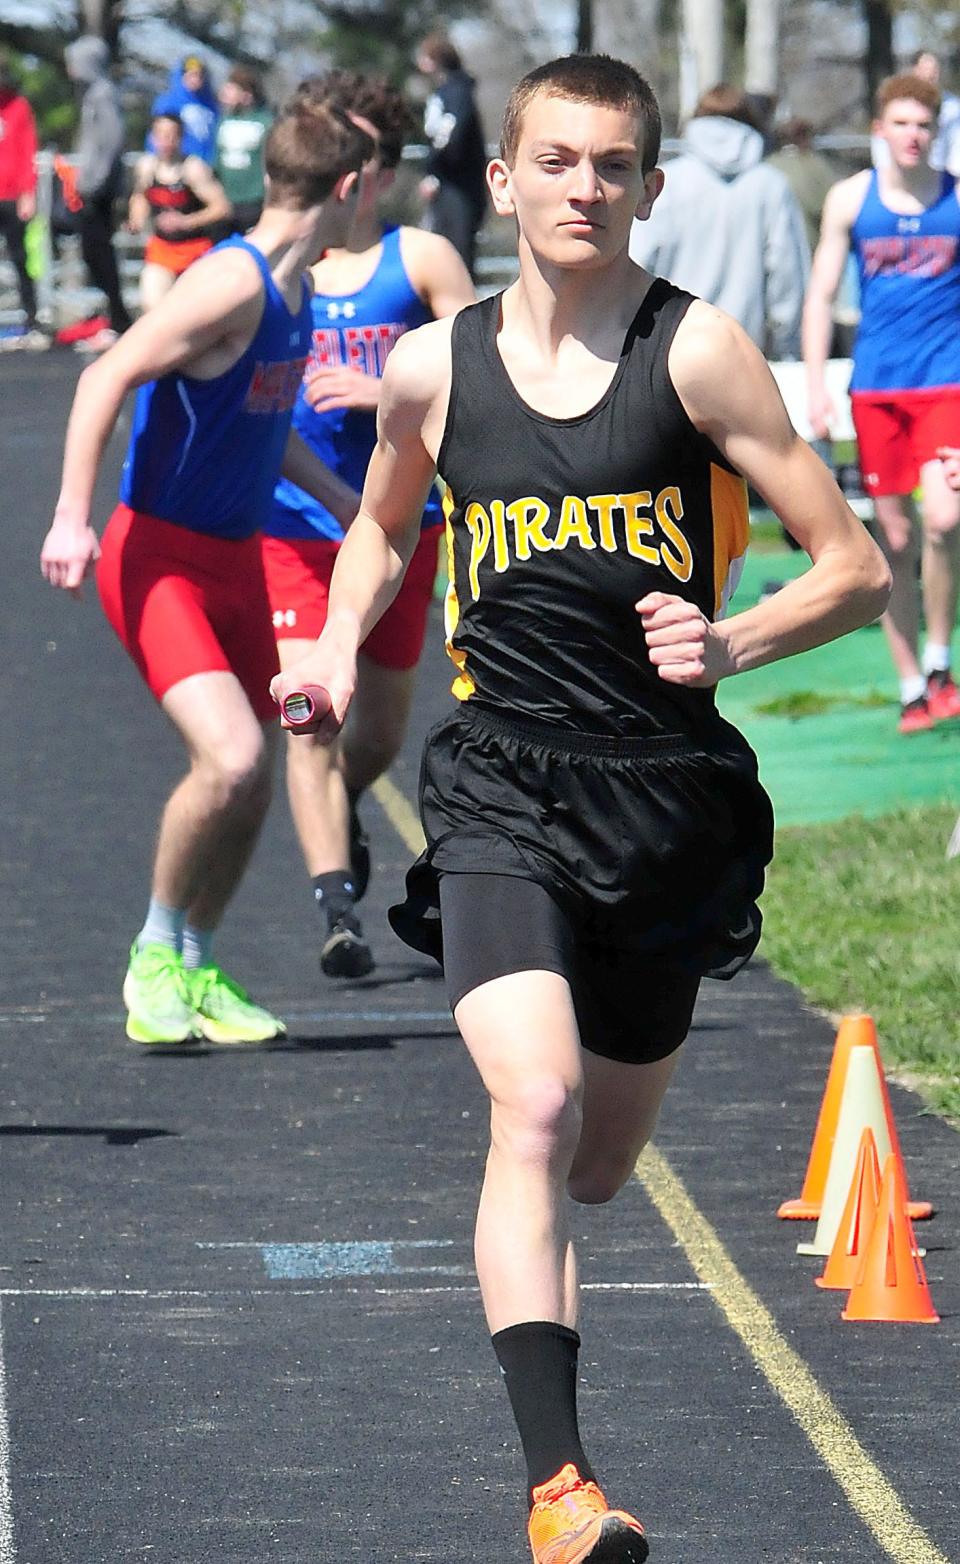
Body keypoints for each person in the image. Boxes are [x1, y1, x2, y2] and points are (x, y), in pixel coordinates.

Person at [271, 52, 890, 1563]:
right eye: (555, 161)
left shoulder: (700, 358)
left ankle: (564, 1424)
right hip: (499, 781)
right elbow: (380, 529)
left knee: (604, 1162)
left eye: (613, 165)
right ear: (503, 180)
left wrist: (734, 639)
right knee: (530, 1105)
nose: (584, 189)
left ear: (651, 186)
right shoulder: (434, 366)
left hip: (661, 799)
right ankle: (562, 1491)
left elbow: (855, 564)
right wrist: (339, 644)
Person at [39, 98, 369, 1046]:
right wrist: (71, 518)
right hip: (161, 558)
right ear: (346, 187)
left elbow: (259, 421)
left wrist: (341, 501)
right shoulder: (233, 284)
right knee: (228, 757)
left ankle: (195, 961)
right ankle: (151, 956)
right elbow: (105, 375)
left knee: (256, 776)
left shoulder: (297, 288)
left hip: (235, 561)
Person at [264, 71, 475, 978]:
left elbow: (485, 376)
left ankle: (339, 805)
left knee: (380, 733)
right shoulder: (281, 263)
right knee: (308, 718)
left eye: (362, 155)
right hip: (295, 528)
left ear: (380, 170)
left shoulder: (421, 259)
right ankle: (336, 909)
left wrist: (382, 387)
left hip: (399, 525)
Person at [803, 71, 960, 734]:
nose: (913, 137)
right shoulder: (849, 200)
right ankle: (909, 686)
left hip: (946, 383)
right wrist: (815, 384)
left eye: (923, 125)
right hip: (876, 388)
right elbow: (820, 295)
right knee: (892, 536)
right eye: (900, 124)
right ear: (879, 131)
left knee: (945, 521)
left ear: (936, 132)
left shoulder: (956, 200)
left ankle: (938, 660)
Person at [628, 83, 810, 359]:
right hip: (743, 351)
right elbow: (787, 276)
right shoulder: (771, 186)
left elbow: (638, 260)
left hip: (665, 348)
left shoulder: (666, 182)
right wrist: (787, 345)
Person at [63, 35, 132, 352]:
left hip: (98, 191)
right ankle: (113, 314)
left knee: (99, 253)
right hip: (90, 186)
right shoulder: (92, 94)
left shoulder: (103, 95)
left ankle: (119, 318)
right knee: (93, 254)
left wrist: (95, 182)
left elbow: (113, 141)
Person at [128, 111, 231, 310]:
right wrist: (136, 218)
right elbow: (140, 196)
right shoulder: (146, 167)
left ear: (180, 137)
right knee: (152, 305)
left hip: (194, 251)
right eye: (160, 135)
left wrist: (186, 221)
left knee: (191, 312)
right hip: (162, 250)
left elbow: (222, 207)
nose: (166, 141)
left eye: (171, 135)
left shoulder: (193, 169)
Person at [415, 31, 488, 279]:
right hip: (446, 185)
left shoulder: (457, 93)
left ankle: (462, 313)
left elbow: (451, 136)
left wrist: (435, 169)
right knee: (440, 249)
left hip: (459, 187)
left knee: (457, 255)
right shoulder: (445, 92)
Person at [0, 50, 47, 349]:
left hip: (11, 195)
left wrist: (28, 192)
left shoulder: (17, 106)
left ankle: (32, 316)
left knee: (21, 257)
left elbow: (28, 149)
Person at [214, 65, 273, 236]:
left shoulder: (265, 122)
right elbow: (216, 160)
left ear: (246, 93)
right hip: (226, 200)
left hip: (254, 200)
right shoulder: (223, 121)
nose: (225, 92)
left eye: (231, 88)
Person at [766, 116, 837, 257]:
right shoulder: (815, 167)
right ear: (805, 138)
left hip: (771, 249)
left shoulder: (766, 167)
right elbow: (832, 206)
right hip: (809, 249)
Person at [150, 55, 219, 164]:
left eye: (199, 76)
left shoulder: (212, 105)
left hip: (206, 165)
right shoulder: (167, 102)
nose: (195, 80)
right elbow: (156, 136)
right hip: (178, 165)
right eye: (191, 75)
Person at [912, 51, 960, 177]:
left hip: (943, 177)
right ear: (915, 70)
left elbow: (957, 146)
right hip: (910, 176)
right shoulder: (902, 105)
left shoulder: (953, 107)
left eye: (934, 70)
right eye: (925, 69)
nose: (930, 74)